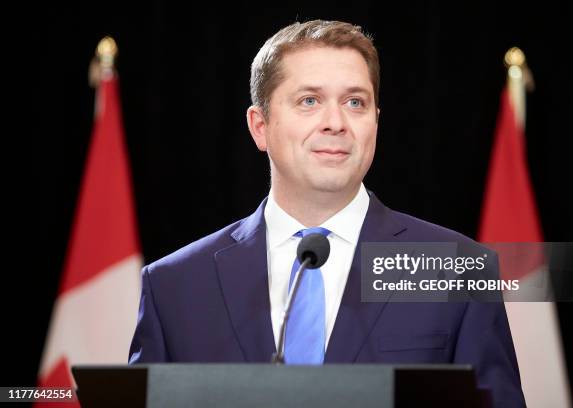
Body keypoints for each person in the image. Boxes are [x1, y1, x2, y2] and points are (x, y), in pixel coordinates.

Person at [129, 19, 525, 407]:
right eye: (309, 101)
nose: (336, 123)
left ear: (376, 122)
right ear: (260, 126)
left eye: (355, 102)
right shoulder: (175, 286)